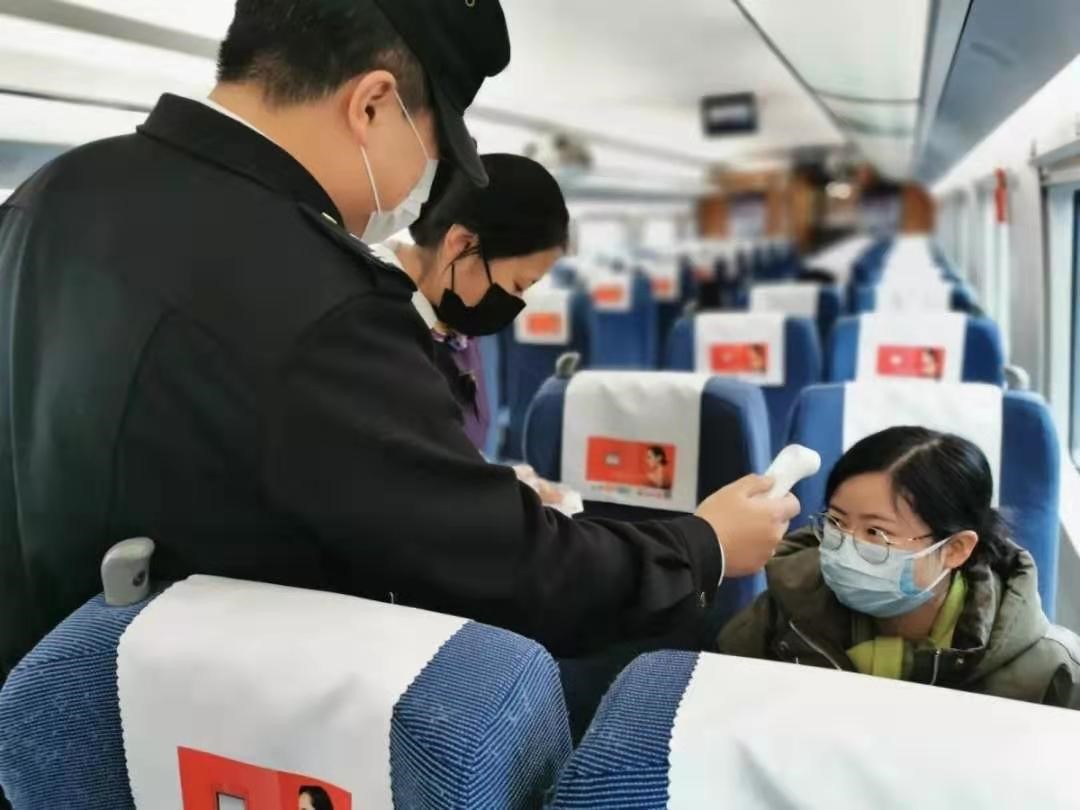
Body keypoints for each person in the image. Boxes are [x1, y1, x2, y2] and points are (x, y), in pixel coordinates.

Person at [0, 0, 798, 695]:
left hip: (40, 710)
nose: (424, 183)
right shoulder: (322, 300)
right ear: (372, 104)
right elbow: (505, 569)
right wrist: (701, 546)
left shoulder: (51, 194)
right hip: (204, 724)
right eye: (433, 145)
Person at [717, 427, 1080, 708]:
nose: (846, 546)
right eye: (837, 522)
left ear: (955, 549)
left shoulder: (1051, 671)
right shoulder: (780, 618)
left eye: (877, 532)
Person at [371, 152, 569, 451]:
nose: (516, 303)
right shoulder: (372, 323)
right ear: (462, 244)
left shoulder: (457, 327)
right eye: (518, 285)